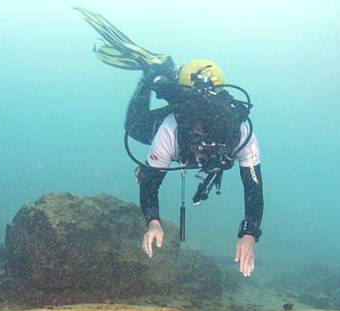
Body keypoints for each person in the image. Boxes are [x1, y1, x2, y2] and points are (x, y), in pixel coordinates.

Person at [76, 8, 264, 277]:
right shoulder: (172, 128)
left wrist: (249, 234)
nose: (204, 147)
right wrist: (153, 222)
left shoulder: (241, 132)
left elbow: (254, 188)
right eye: (199, 138)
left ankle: (162, 72)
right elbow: (150, 181)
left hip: (191, 109)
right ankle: (151, 75)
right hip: (172, 119)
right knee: (134, 128)